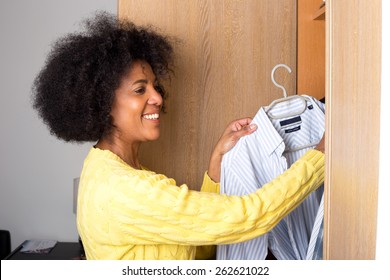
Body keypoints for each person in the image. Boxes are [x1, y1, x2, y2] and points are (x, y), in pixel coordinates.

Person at [32, 12, 325, 260]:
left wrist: (215, 168)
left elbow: (197, 247)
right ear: (102, 103)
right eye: (140, 90)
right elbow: (248, 217)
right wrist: (320, 159)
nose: (158, 97)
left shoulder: (110, 169)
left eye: (155, 86)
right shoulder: (122, 190)